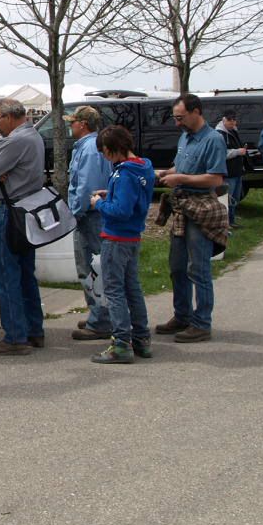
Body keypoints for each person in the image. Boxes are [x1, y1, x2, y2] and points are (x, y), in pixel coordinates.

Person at [155, 94, 228, 343]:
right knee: (177, 267)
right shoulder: (185, 137)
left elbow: (216, 179)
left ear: (196, 111)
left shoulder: (214, 140)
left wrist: (181, 179)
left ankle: (202, 323)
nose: (178, 123)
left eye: (180, 118)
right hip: (181, 208)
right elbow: (181, 167)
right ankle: (182, 316)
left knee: (198, 268)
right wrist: (167, 173)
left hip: (200, 208)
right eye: (176, 118)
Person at [0, 97, 46, 356]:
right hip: (27, 209)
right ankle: (33, 330)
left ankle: (15, 336)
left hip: (10, 211)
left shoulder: (17, 140)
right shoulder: (34, 136)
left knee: (7, 274)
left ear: (9, 117)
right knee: (26, 273)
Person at [88, 125, 156, 364]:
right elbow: (132, 198)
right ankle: (141, 338)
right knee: (132, 288)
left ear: (110, 149)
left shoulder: (124, 173)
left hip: (116, 237)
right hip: (133, 237)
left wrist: (99, 204)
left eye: (104, 152)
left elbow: (121, 211)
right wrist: (112, 193)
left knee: (115, 290)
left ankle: (121, 343)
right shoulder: (143, 167)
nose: (105, 157)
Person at [62, 106, 113, 342]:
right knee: (97, 268)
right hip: (92, 215)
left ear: (83, 124)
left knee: (92, 270)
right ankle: (99, 314)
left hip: (90, 217)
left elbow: (87, 187)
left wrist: (75, 212)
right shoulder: (90, 146)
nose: (70, 126)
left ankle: (101, 321)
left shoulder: (90, 149)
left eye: (72, 122)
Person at [215, 110, 248, 228]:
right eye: (229, 119)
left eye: (234, 119)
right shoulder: (219, 134)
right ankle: (225, 223)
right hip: (228, 172)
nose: (232, 122)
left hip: (237, 171)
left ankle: (232, 220)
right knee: (226, 199)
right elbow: (222, 154)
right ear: (223, 120)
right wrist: (238, 152)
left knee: (235, 198)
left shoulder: (234, 131)